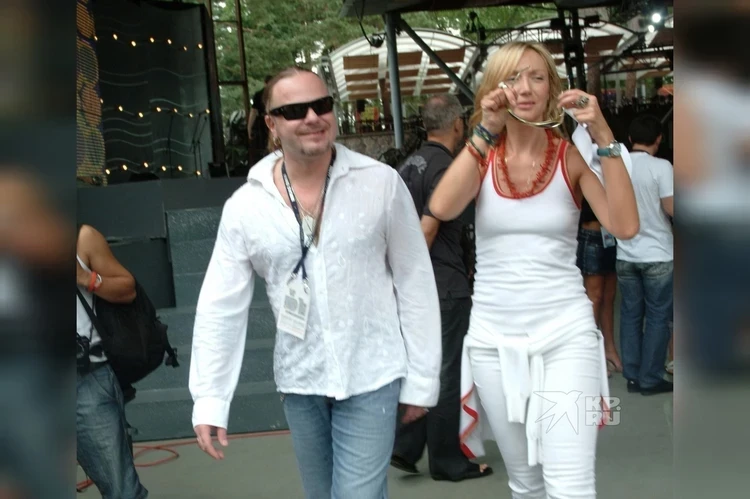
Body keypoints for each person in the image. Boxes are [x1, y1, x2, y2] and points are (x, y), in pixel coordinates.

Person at [189, 67, 441, 499]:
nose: (312, 117)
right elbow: (220, 305)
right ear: (272, 124)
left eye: (321, 105)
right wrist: (210, 397)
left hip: (373, 373)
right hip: (300, 380)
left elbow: (414, 280)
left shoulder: (380, 183)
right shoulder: (246, 206)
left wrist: (423, 376)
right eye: (294, 111)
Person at [429, 41, 639, 497]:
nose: (524, 88)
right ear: (495, 89)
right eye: (512, 78)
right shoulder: (482, 155)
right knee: (525, 484)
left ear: (551, 91)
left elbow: (625, 226)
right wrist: (486, 130)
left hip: (567, 336)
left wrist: (603, 133)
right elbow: (442, 206)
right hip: (492, 340)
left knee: (571, 485)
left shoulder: (569, 157)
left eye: (536, 77)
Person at [393, 94, 492, 481]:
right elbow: (430, 227)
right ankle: (447, 459)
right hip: (442, 282)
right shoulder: (449, 169)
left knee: (422, 364)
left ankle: (406, 445)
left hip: (413, 284)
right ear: (457, 124)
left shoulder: (408, 165)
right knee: (447, 370)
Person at [76, 224, 148, 499]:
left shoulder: (81, 238)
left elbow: (127, 289)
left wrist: (84, 277)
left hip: (85, 378)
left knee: (122, 492)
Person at [616, 114, 674, 395]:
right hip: (658, 253)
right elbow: (672, 208)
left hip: (626, 253)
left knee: (630, 314)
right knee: (657, 316)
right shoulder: (662, 166)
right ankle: (650, 377)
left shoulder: (618, 165)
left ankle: (632, 375)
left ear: (630, 139)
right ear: (659, 139)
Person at [576, 201, 623, 376]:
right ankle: (592, 354)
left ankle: (609, 350)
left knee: (609, 296)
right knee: (594, 297)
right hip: (591, 232)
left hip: (611, 234)